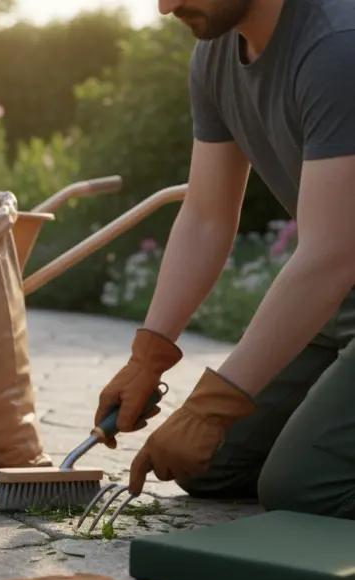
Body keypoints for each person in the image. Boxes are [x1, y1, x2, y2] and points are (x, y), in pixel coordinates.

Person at [98, 0, 355, 517]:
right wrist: (148, 355)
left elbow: (333, 252)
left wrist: (213, 405)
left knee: (303, 486)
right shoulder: (215, 53)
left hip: (340, 271)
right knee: (209, 465)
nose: (165, 6)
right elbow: (206, 216)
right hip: (341, 303)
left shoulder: (338, 47)